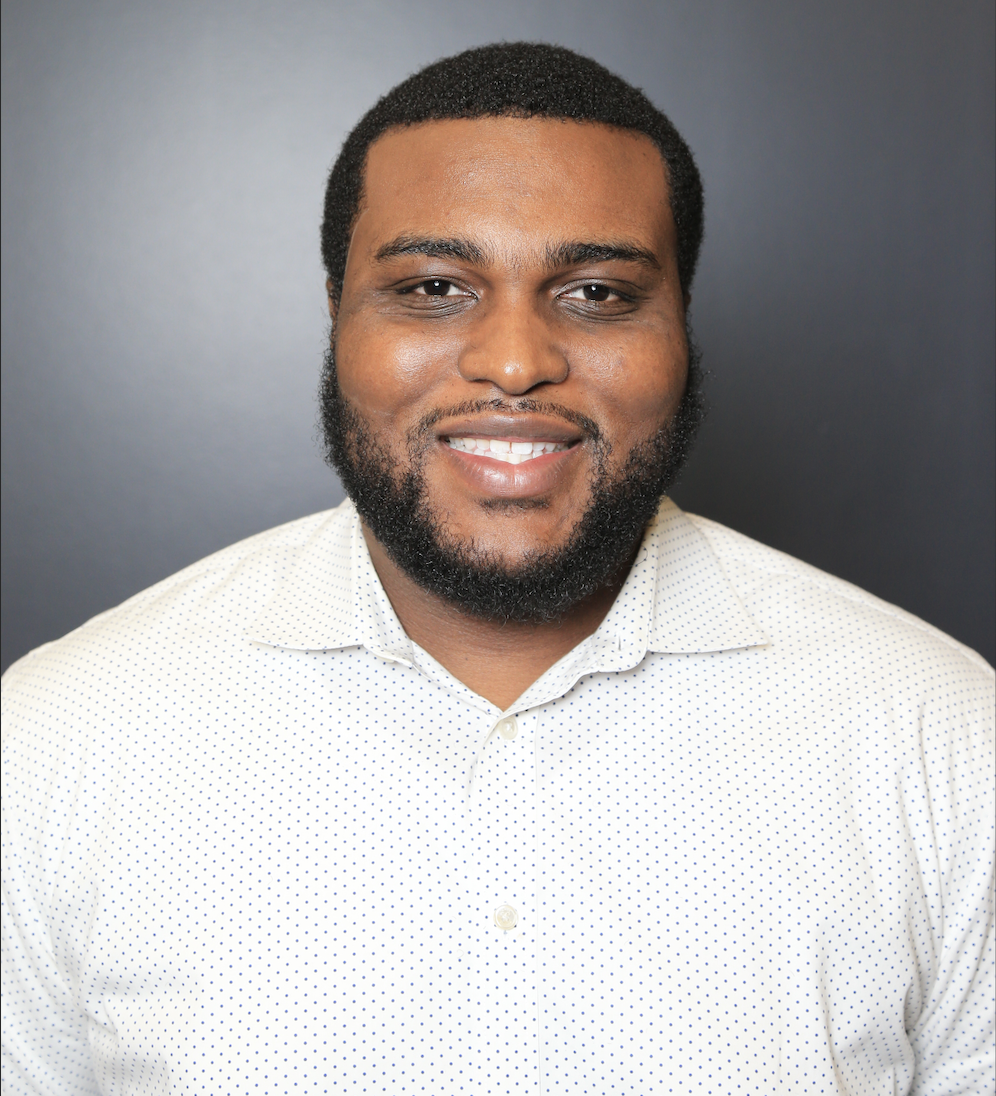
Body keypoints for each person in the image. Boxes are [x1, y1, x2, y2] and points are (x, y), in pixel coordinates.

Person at [2, 42, 992, 1096]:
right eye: (433, 287)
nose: (515, 363)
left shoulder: (941, 736)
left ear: (682, 325)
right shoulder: (59, 737)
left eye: (598, 292)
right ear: (336, 313)